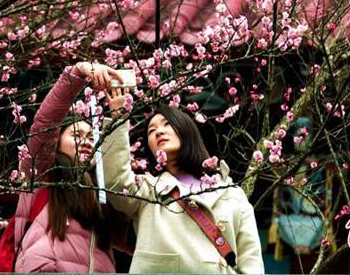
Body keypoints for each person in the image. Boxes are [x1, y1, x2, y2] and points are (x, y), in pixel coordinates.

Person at [102, 92, 266, 274]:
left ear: (186, 130)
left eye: (167, 124)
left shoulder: (231, 192)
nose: (159, 131)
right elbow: (116, 182)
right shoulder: (149, 190)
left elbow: (251, 260)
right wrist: (118, 118)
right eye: (151, 131)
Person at [12, 61, 127, 273]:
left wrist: (119, 117)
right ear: (56, 143)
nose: (86, 141)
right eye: (76, 135)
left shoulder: (102, 191)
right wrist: (79, 71)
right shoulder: (42, 173)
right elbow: (46, 121)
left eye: (92, 137)